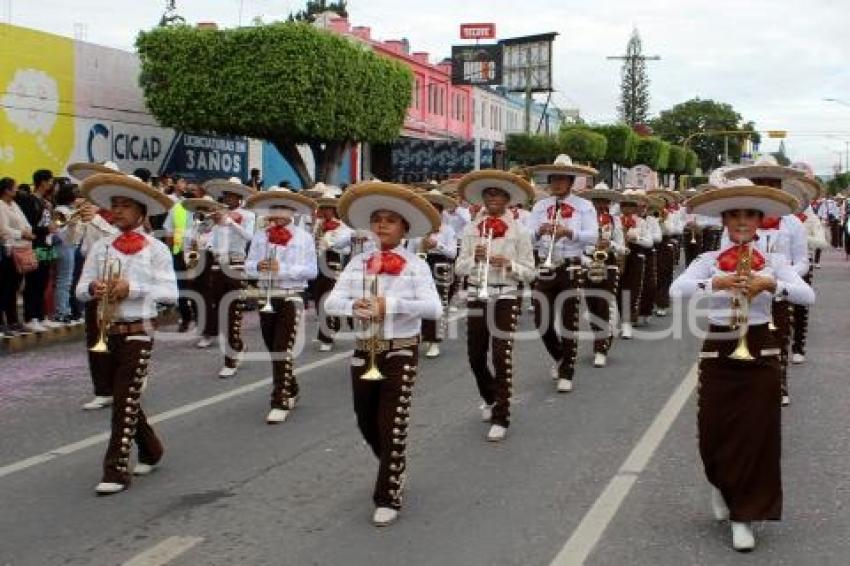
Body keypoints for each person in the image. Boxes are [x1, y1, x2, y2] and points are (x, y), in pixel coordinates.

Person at [670, 180, 814, 552]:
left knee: (755, 434)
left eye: (749, 214)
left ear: (759, 220)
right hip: (719, 345)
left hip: (761, 346)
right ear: (725, 220)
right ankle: (720, 482)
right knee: (712, 432)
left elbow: (806, 294)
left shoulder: (773, 260)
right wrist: (712, 283)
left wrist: (772, 286)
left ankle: (743, 515)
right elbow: (677, 291)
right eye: (735, 215)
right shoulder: (709, 259)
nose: (742, 221)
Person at [324, 182, 442, 527]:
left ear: (404, 228)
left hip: (400, 349)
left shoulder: (415, 265)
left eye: (391, 220)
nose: (382, 225)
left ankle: (388, 492)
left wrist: (388, 305)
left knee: (392, 423)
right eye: (377, 219)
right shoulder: (359, 262)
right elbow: (332, 302)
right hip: (365, 347)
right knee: (365, 419)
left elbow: (434, 308)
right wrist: (355, 306)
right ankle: (393, 464)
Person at [75, 173, 178, 495]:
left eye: (125, 206)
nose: (117, 211)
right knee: (125, 396)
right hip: (107, 329)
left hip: (139, 330)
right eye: (114, 206)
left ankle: (115, 470)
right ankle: (151, 449)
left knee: (123, 400)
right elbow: (80, 290)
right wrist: (95, 288)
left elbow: (169, 294)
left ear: (141, 211)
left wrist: (130, 288)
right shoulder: (101, 247)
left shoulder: (157, 249)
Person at [455, 170, 535, 441]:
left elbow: (531, 272)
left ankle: (502, 415)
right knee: (475, 356)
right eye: (488, 194)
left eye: (498, 194)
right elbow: (458, 267)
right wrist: (474, 260)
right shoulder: (470, 229)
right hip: (478, 293)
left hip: (506, 295)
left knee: (501, 356)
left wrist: (508, 264)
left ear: (507, 199)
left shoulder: (520, 231)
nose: (493, 199)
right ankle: (490, 397)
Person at [244, 190, 318, 424]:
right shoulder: (260, 236)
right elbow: (247, 266)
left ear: (293, 212)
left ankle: (280, 399)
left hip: (291, 295)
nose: (279, 213)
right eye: (275, 208)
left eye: (284, 208)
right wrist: (258, 265)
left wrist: (282, 270)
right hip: (266, 294)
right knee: (272, 346)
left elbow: (312, 271)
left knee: (281, 348)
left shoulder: (303, 237)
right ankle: (291, 386)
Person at [528, 155, 599, 393]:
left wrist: (569, 233)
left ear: (570, 182)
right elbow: (526, 237)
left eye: (562, 180)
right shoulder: (539, 206)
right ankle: (560, 356)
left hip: (572, 266)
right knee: (541, 320)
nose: (557, 184)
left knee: (570, 321)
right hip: (546, 266)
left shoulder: (584, 206)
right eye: (553, 179)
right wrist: (540, 231)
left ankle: (567, 371)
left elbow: (594, 237)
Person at [196, 178, 257, 378]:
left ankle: (230, 359)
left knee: (234, 314)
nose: (229, 198)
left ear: (239, 197)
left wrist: (230, 222)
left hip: (237, 264)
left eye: (232, 195)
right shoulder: (216, 216)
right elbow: (207, 238)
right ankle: (238, 345)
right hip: (217, 266)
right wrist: (206, 237)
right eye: (226, 195)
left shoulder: (247, 215)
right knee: (221, 313)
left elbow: (250, 238)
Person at [405, 189, 458, 359]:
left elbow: (452, 254)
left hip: (441, 266)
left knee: (437, 304)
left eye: (437, 209)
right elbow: (408, 253)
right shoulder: (415, 230)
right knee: (418, 303)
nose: (434, 212)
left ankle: (434, 341)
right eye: (430, 208)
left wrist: (437, 245)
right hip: (420, 266)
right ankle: (418, 335)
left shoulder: (448, 230)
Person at [580, 183, 626, 368]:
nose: (600, 204)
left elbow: (624, 248)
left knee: (604, 304)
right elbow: (577, 246)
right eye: (596, 201)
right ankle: (600, 337)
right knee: (592, 306)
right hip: (590, 263)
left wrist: (610, 245)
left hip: (609, 264)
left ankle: (601, 349)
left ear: (608, 202)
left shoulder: (615, 221)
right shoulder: (584, 221)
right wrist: (590, 254)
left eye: (603, 201)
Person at [15, 169, 57, 331]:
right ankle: (30, 316)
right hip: (36, 245)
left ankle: (41, 316)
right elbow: (30, 227)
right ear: (43, 182)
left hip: (47, 244)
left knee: (44, 280)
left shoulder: (46, 201)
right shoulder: (30, 201)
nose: (52, 185)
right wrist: (47, 229)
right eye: (50, 181)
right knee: (34, 281)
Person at [312, 186, 353, 352]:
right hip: (317, 263)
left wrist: (331, 245)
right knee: (317, 299)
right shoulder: (318, 225)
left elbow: (347, 250)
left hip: (333, 264)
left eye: (329, 208)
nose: (326, 211)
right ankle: (329, 328)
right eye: (324, 208)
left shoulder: (342, 226)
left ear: (334, 209)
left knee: (327, 298)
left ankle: (327, 335)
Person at [617, 190, 654, 339]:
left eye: (630, 205)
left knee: (631, 291)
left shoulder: (641, 222)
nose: (627, 208)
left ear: (634, 208)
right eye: (624, 205)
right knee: (618, 291)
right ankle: (620, 319)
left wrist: (635, 238)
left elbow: (649, 242)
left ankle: (627, 324)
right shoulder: (614, 220)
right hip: (618, 257)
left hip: (635, 258)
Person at [0, 177, 34, 336]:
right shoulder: (0, 205)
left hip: (20, 249)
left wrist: (27, 231)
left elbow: (25, 222)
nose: (17, 190)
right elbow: (3, 230)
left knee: (14, 287)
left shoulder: (13, 204)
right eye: (14, 188)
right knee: (5, 288)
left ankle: (13, 321)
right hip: (7, 252)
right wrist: (22, 233)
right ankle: (2, 323)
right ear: (6, 190)